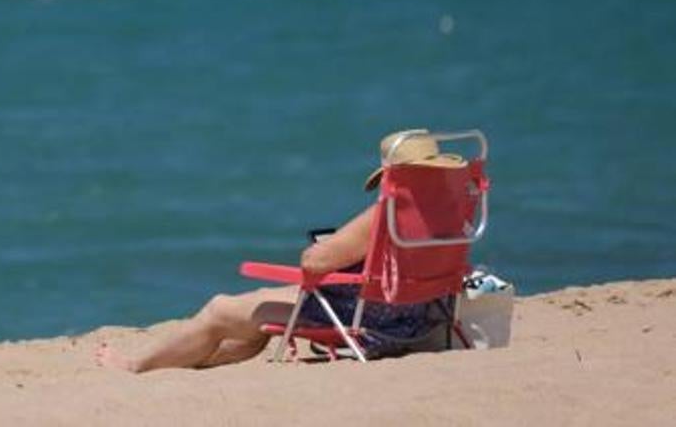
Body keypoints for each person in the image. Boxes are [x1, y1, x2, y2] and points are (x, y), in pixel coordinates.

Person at [96, 130, 458, 373]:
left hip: (371, 322)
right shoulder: (449, 212)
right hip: (416, 319)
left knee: (220, 308)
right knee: (255, 307)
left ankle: (132, 367)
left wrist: (326, 248)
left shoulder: (389, 212)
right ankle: (195, 362)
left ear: (392, 175)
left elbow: (315, 264)